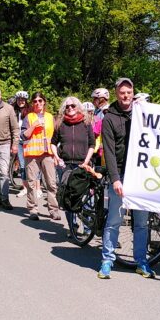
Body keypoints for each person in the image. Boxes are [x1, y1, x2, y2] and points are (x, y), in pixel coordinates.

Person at [98, 77, 153, 280]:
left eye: (129, 92)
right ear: (116, 94)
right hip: (120, 174)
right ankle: (107, 260)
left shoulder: (141, 113)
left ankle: (141, 261)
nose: (126, 96)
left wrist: (146, 109)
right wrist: (115, 179)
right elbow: (109, 152)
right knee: (114, 220)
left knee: (141, 223)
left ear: (133, 93)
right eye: (122, 92)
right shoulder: (109, 118)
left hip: (140, 175)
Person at [51, 95, 96, 230]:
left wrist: (86, 162)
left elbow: (92, 145)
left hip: (83, 164)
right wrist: (57, 157)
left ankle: (88, 227)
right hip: (66, 165)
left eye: (73, 106)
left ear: (78, 108)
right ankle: (72, 227)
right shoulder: (60, 123)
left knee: (87, 196)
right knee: (68, 197)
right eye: (67, 106)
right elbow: (53, 143)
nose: (70, 108)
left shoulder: (86, 123)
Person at [22, 92, 62, 221]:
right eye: (35, 101)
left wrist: (56, 155)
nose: (38, 103)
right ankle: (33, 209)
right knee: (32, 183)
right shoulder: (29, 117)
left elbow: (56, 137)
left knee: (51, 183)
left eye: (40, 100)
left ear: (44, 102)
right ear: (32, 103)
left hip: (48, 154)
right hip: (32, 154)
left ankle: (53, 210)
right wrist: (33, 126)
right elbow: (24, 135)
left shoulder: (50, 117)